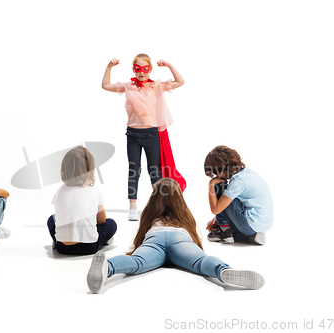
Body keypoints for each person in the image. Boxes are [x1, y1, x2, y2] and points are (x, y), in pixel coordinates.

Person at [86, 178, 265, 294]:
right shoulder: (183, 216)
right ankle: (224, 271)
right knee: (202, 262)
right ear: (179, 199)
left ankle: (107, 267)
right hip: (180, 239)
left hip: (154, 238)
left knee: (137, 262)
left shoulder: (150, 215)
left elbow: (141, 236)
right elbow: (195, 238)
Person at [102, 53, 185, 221]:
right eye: (138, 69)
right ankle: (133, 207)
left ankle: (159, 206)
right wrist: (109, 67)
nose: (141, 72)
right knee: (134, 170)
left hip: (151, 134)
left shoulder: (156, 86)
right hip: (132, 134)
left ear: (150, 70)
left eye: (145, 69)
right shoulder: (128, 86)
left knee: (154, 172)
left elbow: (180, 81)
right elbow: (105, 85)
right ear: (134, 69)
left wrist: (168, 64)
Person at [47, 146, 117, 255]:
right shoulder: (95, 191)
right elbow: (102, 220)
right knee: (111, 223)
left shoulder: (59, 191)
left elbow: (61, 215)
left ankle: (57, 240)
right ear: (90, 170)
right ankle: (103, 241)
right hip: (89, 247)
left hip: (62, 247)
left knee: (51, 219)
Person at [204, 145, 273, 245]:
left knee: (220, 187)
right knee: (214, 223)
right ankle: (250, 237)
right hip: (261, 224)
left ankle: (224, 232)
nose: (217, 176)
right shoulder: (246, 173)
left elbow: (215, 209)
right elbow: (234, 202)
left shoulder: (238, 181)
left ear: (223, 170)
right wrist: (216, 218)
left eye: (216, 173)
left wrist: (211, 184)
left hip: (249, 224)